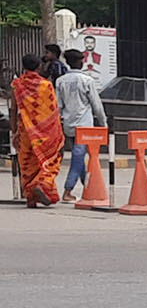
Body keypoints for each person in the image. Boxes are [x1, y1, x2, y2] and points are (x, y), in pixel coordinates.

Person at [9, 54, 64, 207]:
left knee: (27, 162)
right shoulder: (46, 85)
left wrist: (14, 132)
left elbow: (13, 110)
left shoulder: (17, 85)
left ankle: (31, 198)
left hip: (25, 130)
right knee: (51, 159)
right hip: (46, 132)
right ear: (39, 66)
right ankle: (43, 184)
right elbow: (52, 111)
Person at [54, 47, 106, 202]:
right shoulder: (87, 80)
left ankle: (88, 186)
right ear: (80, 62)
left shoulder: (60, 81)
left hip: (68, 124)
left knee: (78, 156)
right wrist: (103, 124)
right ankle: (68, 190)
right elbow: (96, 105)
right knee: (78, 156)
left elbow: (58, 106)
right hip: (84, 125)